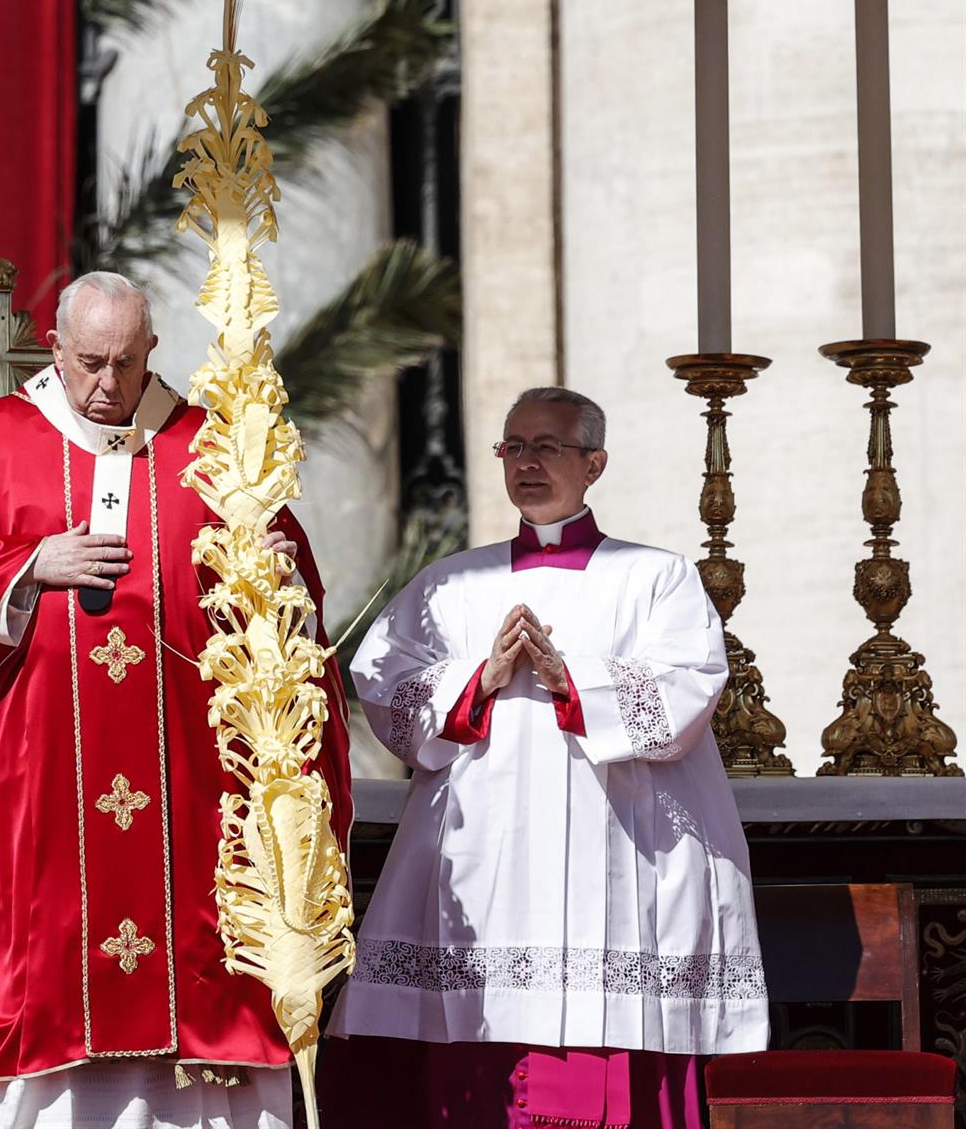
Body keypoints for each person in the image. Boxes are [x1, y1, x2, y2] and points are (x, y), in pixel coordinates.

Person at [0, 271, 355, 1129]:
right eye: (91, 363)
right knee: (52, 959)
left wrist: (271, 580)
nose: (108, 385)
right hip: (43, 771)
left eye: (127, 364)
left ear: (152, 354)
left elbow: (287, 597)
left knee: (203, 968)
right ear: (54, 351)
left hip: (191, 776)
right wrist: (27, 566)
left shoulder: (214, 454)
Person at [324, 387, 767, 1127]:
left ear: (594, 463)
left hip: (616, 857)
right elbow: (383, 683)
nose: (526, 463)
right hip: (483, 865)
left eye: (547, 448)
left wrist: (573, 681)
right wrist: (479, 680)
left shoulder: (656, 577)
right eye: (513, 447)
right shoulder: (452, 582)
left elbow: (688, 691)